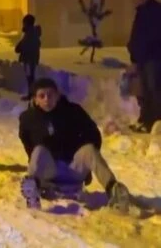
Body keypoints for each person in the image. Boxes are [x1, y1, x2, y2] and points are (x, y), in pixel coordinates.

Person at [18, 78, 130, 212]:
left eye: (50, 95)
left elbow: (93, 134)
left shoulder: (73, 111)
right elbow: (28, 144)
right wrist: (38, 168)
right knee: (39, 150)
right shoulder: (28, 119)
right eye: (42, 96)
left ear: (58, 96)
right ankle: (32, 189)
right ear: (35, 99)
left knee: (89, 150)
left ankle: (113, 189)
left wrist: (86, 166)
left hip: (73, 168)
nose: (47, 99)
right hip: (50, 172)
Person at [127, 0, 161, 133]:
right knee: (144, 91)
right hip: (141, 59)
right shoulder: (140, 12)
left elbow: (153, 37)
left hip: (153, 58)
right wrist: (133, 55)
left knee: (154, 90)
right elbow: (136, 37)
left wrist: (141, 53)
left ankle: (155, 122)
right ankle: (145, 120)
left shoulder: (156, 11)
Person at [16, 14, 41, 100]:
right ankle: (32, 94)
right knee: (30, 78)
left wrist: (19, 47)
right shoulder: (31, 33)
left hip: (29, 59)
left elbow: (25, 45)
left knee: (30, 78)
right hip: (30, 59)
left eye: (24, 22)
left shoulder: (30, 34)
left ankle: (32, 95)